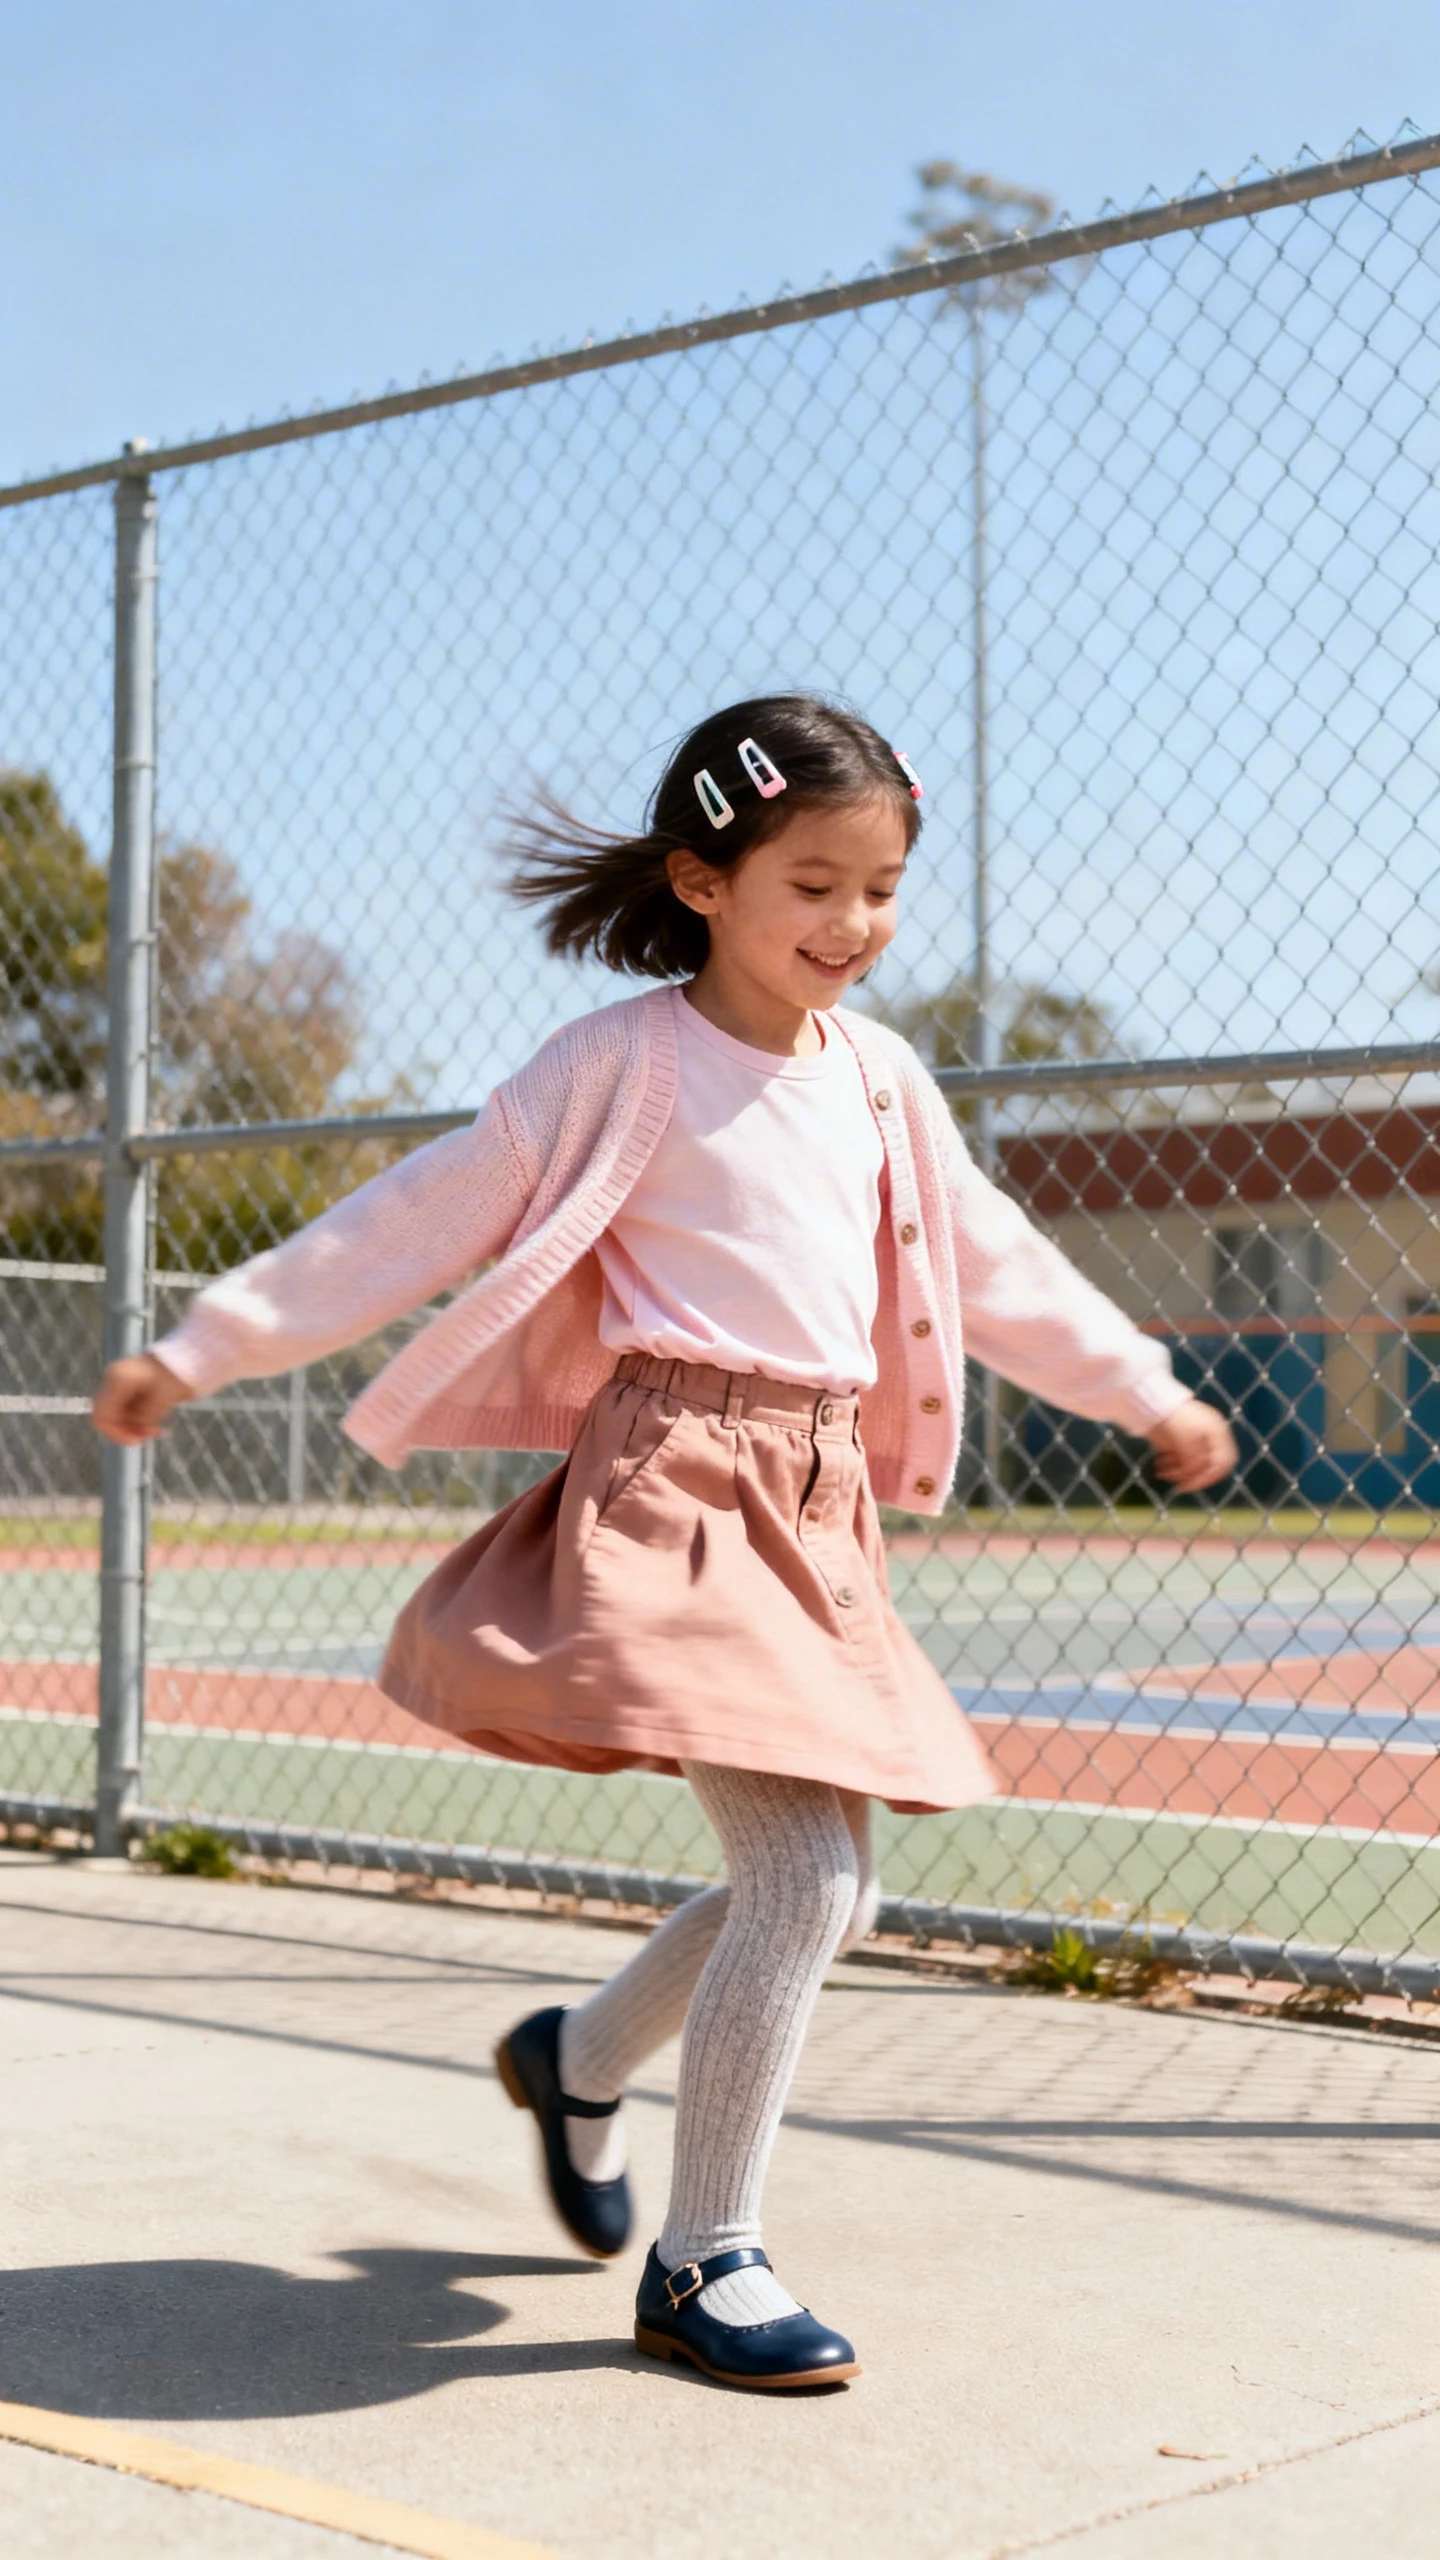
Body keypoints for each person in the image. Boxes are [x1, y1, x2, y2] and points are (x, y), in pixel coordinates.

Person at [94, 693, 1236, 2392]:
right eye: (816, 884)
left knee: (815, 1882)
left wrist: (1139, 1389)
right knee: (815, 1874)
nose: (856, 926)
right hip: (676, 1490)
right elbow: (409, 1219)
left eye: (886, 887)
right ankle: (708, 2259)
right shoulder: (620, 1065)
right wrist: (206, 1344)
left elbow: (990, 1263)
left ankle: (578, 2054)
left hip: (819, 1500)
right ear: (705, 880)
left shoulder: (881, 1080)